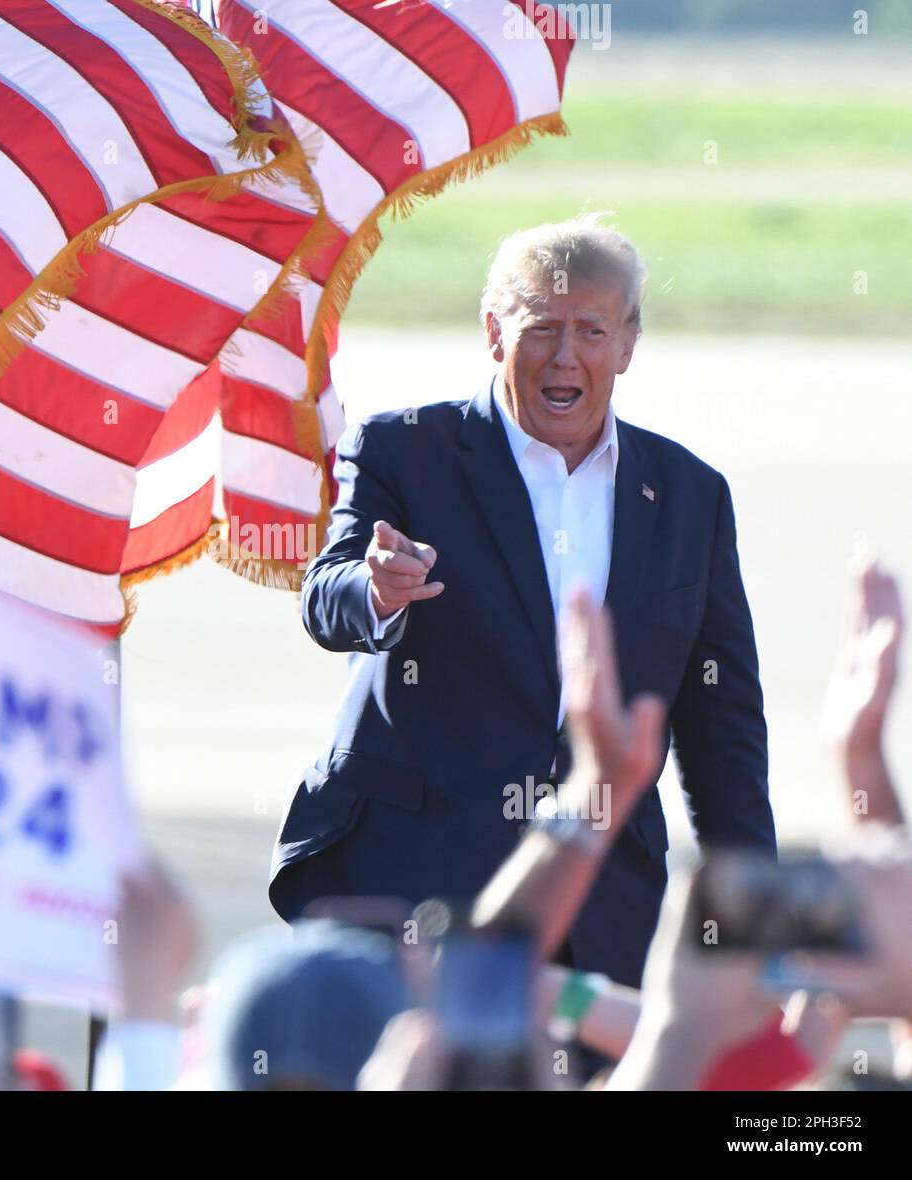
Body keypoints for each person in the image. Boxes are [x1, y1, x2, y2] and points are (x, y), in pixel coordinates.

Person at [272, 213, 776, 986]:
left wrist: (753, 926)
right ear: (494, 333)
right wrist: (377, 591)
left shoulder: (688, 496)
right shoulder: (403, 450)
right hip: (416, 885)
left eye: (592, 331)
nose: (565, 356)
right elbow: (325, 597)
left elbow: (724, 734)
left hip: (602, 910)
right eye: (542, 328)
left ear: (630, 343)